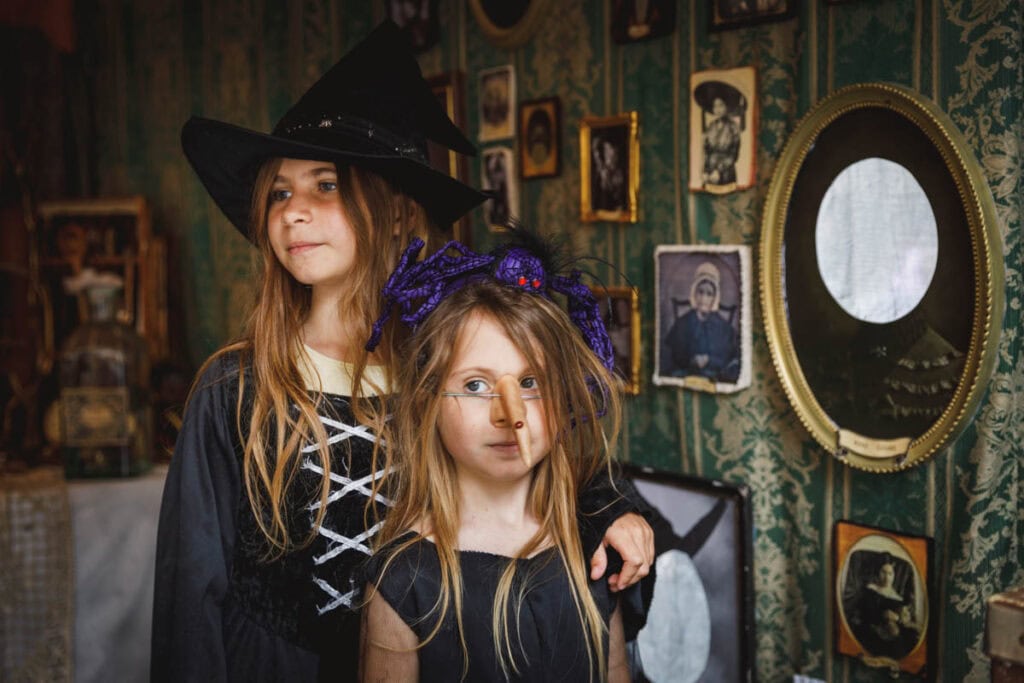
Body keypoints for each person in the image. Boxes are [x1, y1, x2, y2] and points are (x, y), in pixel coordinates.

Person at [152, 21, 653, 682]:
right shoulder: (233, 389)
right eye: (280, 192)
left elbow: (542, 448)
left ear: (392, 211)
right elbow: (189, 597)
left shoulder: (451, 364)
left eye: (325, 185)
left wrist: (613, 509)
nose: (294, 211)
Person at [360, 233, 642, 682]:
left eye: (530, 382)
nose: (510, 415)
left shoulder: (594, 548)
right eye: (475, 385)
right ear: (427, 400)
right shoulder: (406, 577)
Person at [663, 261, 740, 382]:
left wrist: (709, 360)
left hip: (715, 378)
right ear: (694, 293)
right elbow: (673, 356)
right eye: (701, 292)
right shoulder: (682, 324)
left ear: (715, 298)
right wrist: (691, 361)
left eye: (709, 294)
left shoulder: (724, 328)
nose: (704, 298)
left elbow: (729, 359)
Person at [591, 133, 626, 212]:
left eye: (610, 153)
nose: (608, 156)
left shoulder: (619, 175)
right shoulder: (603, 169)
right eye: (606, 152)